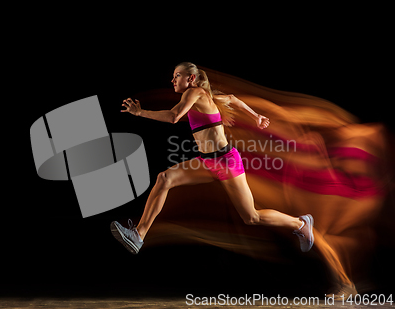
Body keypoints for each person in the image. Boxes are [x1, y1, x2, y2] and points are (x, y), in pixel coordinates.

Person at [110, 62, 314, 254]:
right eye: (173, 77)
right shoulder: (205, 96)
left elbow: (174, 117)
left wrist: (140, 113)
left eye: (177, 76)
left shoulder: (195, 92)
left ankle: (301, 224)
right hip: (207, 161)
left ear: (190, 78)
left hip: (226, 162)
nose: (172, 80)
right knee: (165, 178)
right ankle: (139, 235)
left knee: (252, 217)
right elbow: (232, 98)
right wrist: (255, 116)